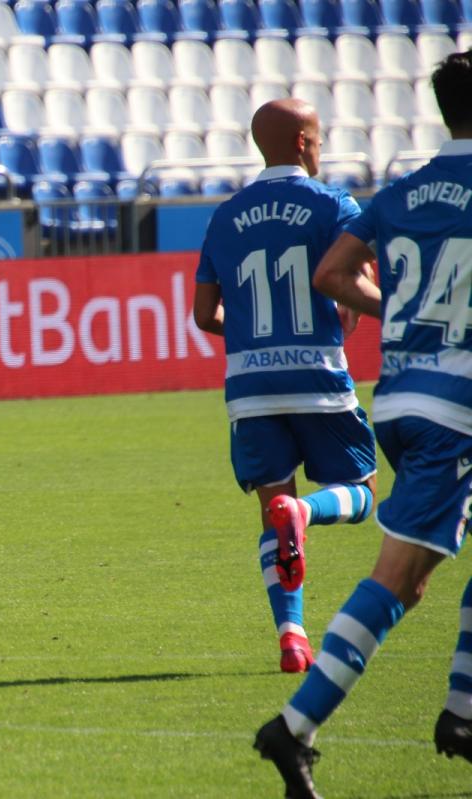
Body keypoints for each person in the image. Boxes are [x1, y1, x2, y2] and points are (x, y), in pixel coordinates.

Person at [253, 50, 472, 798]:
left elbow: (333, 275)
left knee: (409, 583)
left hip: (401, 396)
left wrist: (405, 317)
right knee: (396, 578)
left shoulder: (402, 192)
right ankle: (293, 726)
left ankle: (464, 712)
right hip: (457, 408)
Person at [193, 98, 379, 675]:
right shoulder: (334, 205)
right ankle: (304, 510)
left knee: (270, 509)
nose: (321, 148)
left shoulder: (225, 215)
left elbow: (203, 315)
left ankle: (292, 637)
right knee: (362, 492)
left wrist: (247, 333)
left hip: (250, 386)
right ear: (302, 141)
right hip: (317, 376)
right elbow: (359, 277)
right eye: (319, 137)